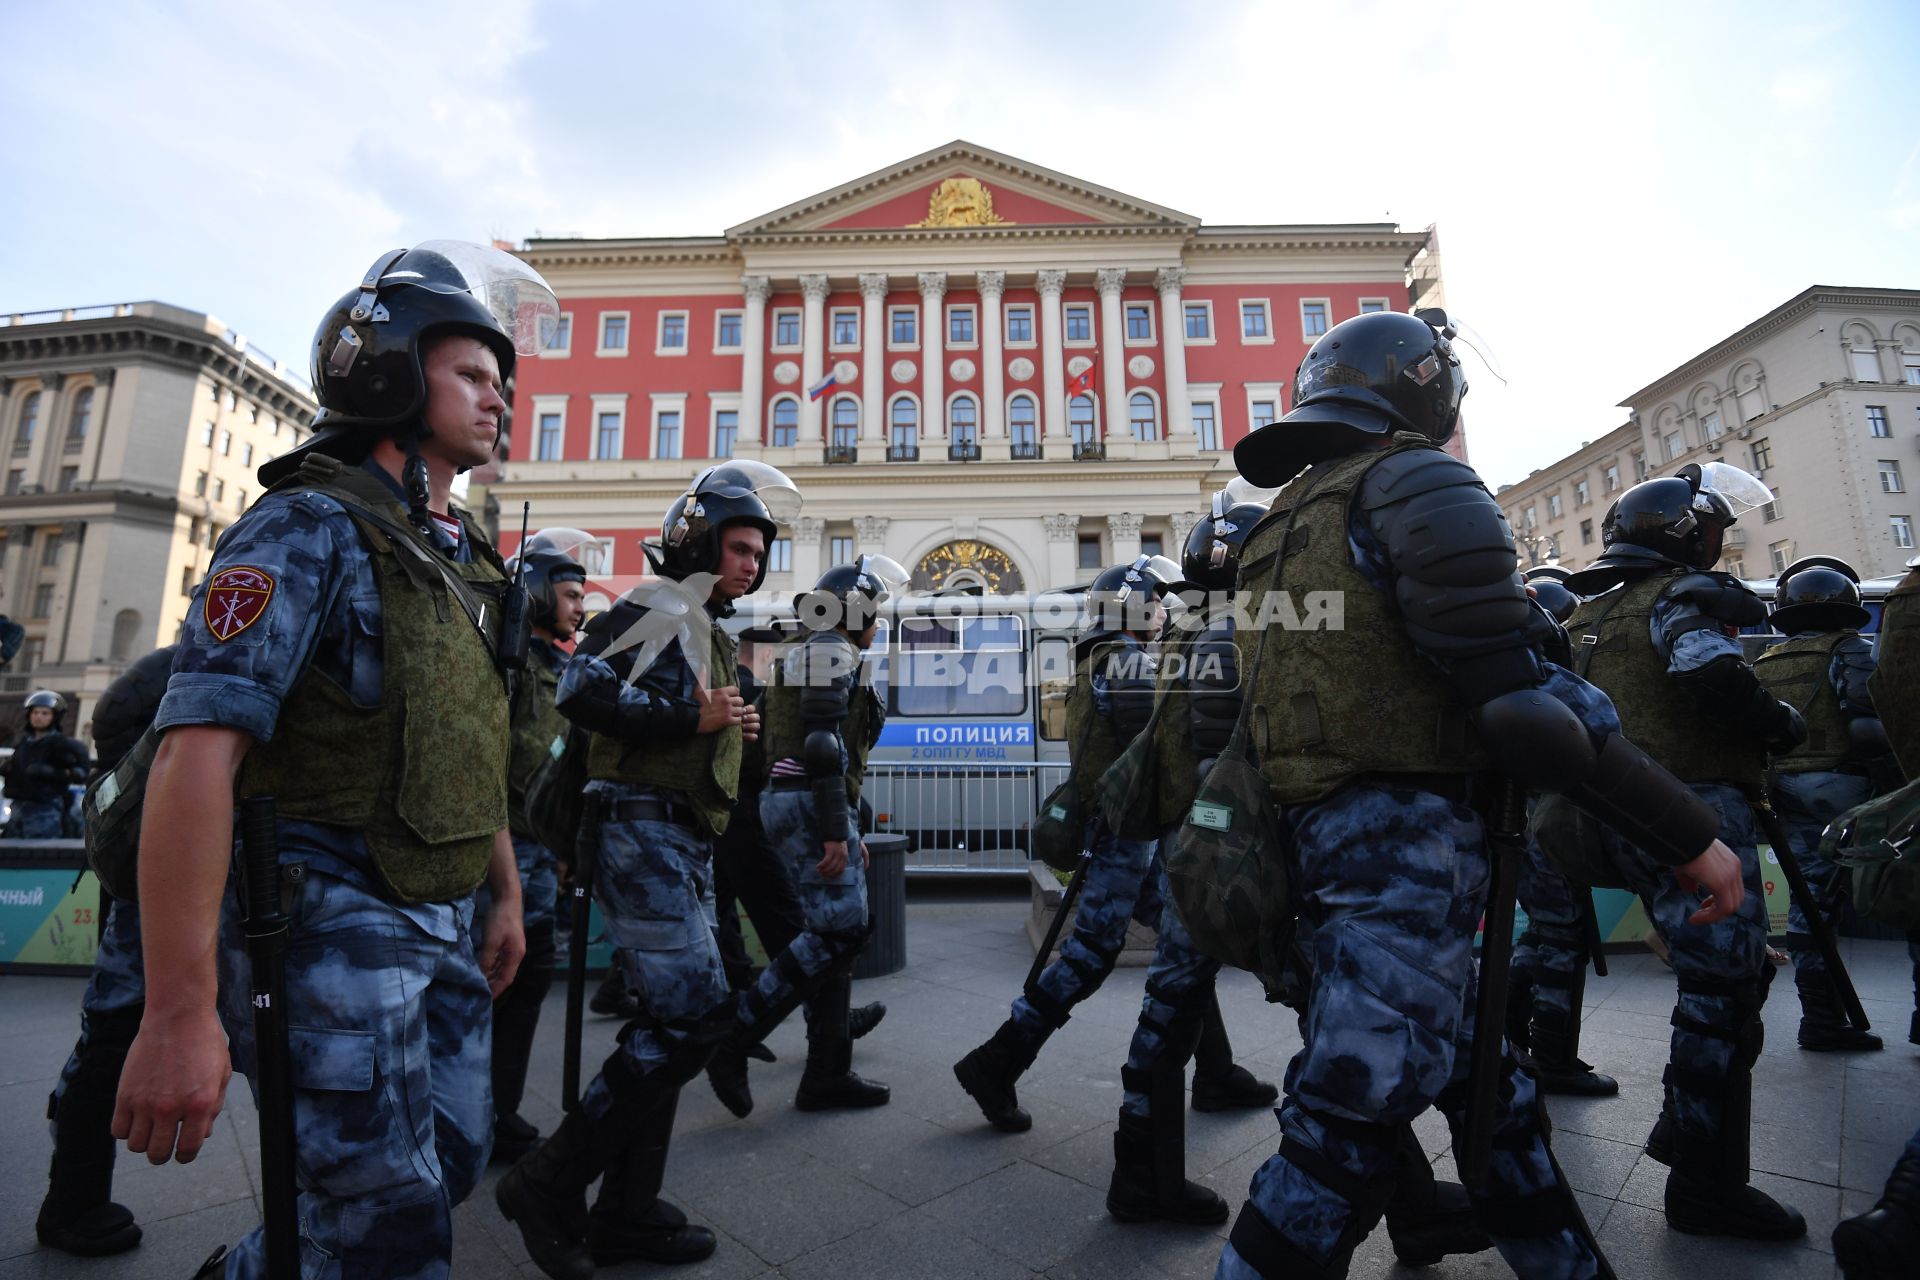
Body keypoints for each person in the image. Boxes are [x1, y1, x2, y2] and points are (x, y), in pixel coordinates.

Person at [1214, 309, 1746, 1280]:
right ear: (1426, 390)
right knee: (1338, 1135)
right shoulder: (1413, 478)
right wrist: (1687, 832)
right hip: (1409, 868)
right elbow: (1523, 706)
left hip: (1317, 850)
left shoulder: (1282, 522)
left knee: (1492, 1099)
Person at [110, 240, 552, 1277]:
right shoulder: (304, 526)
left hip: (441, 915)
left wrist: (504, 893)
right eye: (473, 375)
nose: (501, 400)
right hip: (329, 926)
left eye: (504, 381)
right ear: (390, 369)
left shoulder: (462, 561)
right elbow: (196, 753)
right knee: (389, 1222)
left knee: (446, 1159)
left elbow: (466, 736)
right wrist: (178, 1012)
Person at [496, 460, 801, 1279]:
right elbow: (580, 690)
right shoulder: (655, 604)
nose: (752, 563)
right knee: (695, 1018)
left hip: (679, 837)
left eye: (757, 551)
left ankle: (628, 1208)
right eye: (738, 547)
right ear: (696, 544)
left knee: (677, 1020)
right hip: (640, 832)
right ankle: (549, 1181)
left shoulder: (697, 620)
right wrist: (689, 716)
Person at [1564, 462, 1810, 1240]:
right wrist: (1780, 725)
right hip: (1695, 813)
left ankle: (1686, 1131)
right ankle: (1703, 1182)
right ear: (1689, 535)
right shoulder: (1680, 599)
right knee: (1724, 990)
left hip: (1615, 813)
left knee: (1721, 984)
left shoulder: (1589, 615)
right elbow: (1710, 675)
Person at [952, 554, 1191, 1135]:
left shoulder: (1097, 659)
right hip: (1124, 833)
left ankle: (1218, 1070)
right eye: (1154, 600)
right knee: (1088, 954)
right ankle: (997, 1060)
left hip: (1117, 828)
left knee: (1189, 946)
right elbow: (1147, 754)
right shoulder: (1128, 660)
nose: (1162, 610)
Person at [719, 554, 907, 1112]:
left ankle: (827, 1070)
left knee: (834, 931)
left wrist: (846, 826)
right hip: (806, 802)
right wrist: (833, 830)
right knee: (840, 932)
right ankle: (738, 1034)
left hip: (800, 803)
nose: (879, 624)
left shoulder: (816, 646)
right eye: (875, 612)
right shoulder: (830, 648)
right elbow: (823, 746)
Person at [35, 646, 175, 1257]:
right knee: (111, 1037)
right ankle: (72, 1202)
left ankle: (74, 1197)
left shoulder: (170, 663)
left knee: (108, 1035)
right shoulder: (188, 664)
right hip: (158, 879)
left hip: (149, 876)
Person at [474, 531, 590, 1164]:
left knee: (529, 979)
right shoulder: (511, 662)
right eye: (570, 594)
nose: (578, 606)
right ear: (540, 594)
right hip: (500, 850)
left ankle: (502, 1110)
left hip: (544, 850)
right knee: (490, 981)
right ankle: (473, 1111)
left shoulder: (566, 667)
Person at [1752, 555, 1890, 1051]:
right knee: (1896, 887)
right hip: (1841, 789)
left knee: (1811, 907)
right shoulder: (1849, 649)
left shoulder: (1765, 659)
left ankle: (1821, 1019)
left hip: (1780, 790)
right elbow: (1868, 725)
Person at [1506, 566, 1618, 1097]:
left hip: (1503, 817)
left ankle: (1510, 1028)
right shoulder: (1536, 677)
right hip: (1544, 812)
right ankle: (1552, 1053)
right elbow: (1599, 723)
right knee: (1561, 934)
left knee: (1545, 929)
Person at [3, 690, 91, 837]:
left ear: (54, 716)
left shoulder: (62, 744)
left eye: (45, 713)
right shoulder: (23, 744)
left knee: (37, 854)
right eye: (35, 712)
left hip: (45, 810)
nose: (38, 717)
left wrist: (54, 773)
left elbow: (81, 772)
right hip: (17, 809)